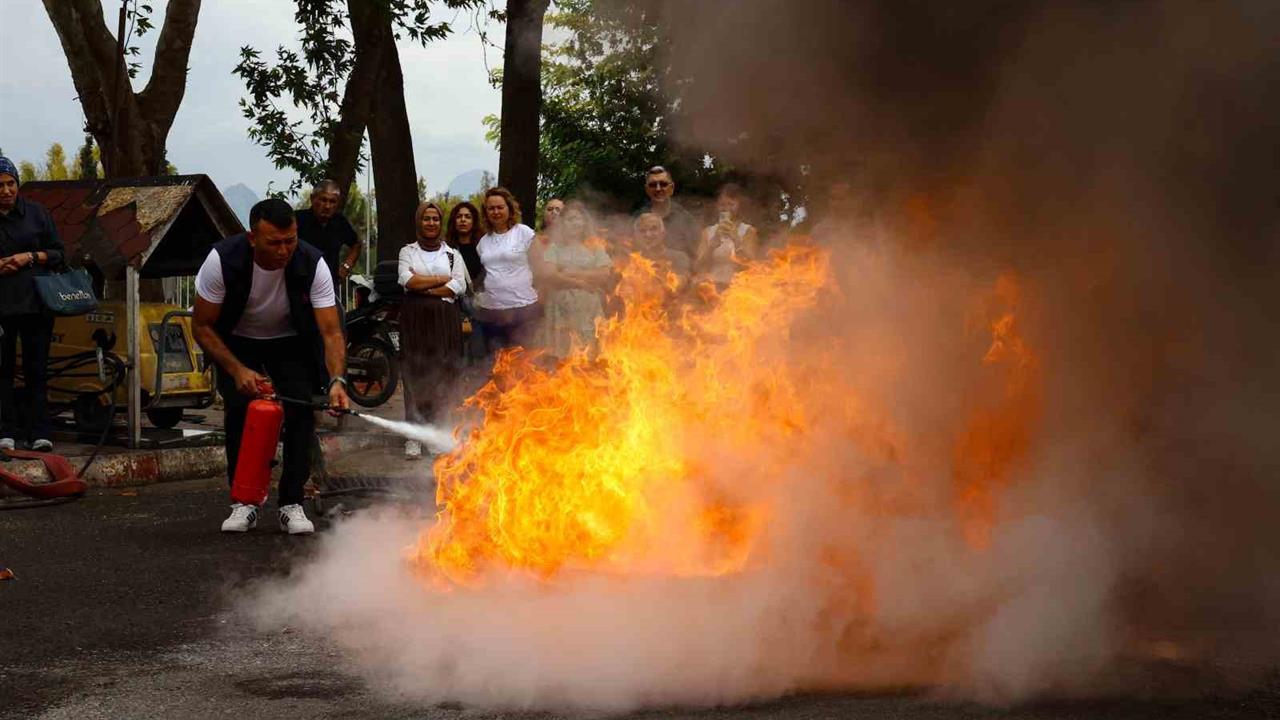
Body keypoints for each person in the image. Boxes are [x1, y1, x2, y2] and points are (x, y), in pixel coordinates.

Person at [192, 198, 350, 535]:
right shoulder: (221, 260)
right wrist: (237, 371)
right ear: (253, 238)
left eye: (290, 240)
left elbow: (331, 331)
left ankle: (292, 501)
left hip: (291, 340)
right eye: (274, 242)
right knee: (240, 409)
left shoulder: (313, 262)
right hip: (237, 340)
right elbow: (202, 326)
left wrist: (337, 380)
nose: (284, 250)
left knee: (301, 410)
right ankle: (244, 501)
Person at [0, 156, 64, 453]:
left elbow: (58, 253)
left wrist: (29, 257)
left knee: (36, 369)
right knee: (3, 371)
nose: (6, 191)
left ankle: (40, 432)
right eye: (0, 185)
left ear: (17, 184)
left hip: (37, 304)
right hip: (3, 306)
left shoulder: (37, 214)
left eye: (10, 183)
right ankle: (6, 431)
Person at [397, 202, 467, 459]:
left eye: (435, 219)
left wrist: (422, 287)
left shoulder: (452, 255)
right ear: (419, 222)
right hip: (415, 320)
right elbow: (406, 280)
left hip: (444, 321)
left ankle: (435, 434)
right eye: (426, 218)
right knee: (415, 374)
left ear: (440, 222)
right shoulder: (407, 251)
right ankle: (414, 437)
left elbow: (457, 286)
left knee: (442, 374)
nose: (431, 223)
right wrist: (440, 280)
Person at [538, 201, 614, 357]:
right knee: (563, 353)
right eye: (569, 219)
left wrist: (570, 272)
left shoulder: (595, 246)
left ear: (584, 222)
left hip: (589, 305)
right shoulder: (555, 248)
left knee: (588, 351)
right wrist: (580, 283)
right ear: (563, 223)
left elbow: (604, 274)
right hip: (561, 306)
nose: (574, 223)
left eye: (577, 218)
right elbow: (550, 275)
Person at [473, 187, 543, 354]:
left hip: (523, 310)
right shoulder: (483, 242)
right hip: (492, 313)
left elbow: (541, 267)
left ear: (509, 209)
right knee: (498, 363)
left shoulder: (524, 233)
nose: (496, 212)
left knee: (524, 363)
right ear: (486, 212)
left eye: (500, 207)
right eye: (491, 208)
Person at [295, 179, 363, 300]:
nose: (327, 206)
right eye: (323, 200)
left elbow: (356, 244)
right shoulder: (297, 220)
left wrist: (347, 266)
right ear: (312, 198)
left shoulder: (340, 222)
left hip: (329, 286)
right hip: (299, 286)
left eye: (332, 202)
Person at [694, 183, 760, 288]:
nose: (726, 208)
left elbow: (751, 265)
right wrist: (711, 247)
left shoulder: (748, 231)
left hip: (738, 288)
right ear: (717, 206)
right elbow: (698, 267)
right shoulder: (708, 232)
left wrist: (736, 239)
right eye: (722, 205)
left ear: (739, 205)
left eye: (731, 204)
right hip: (711, 288)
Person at [445, 201, 485, 365]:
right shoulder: (446, 249)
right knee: (457, 356)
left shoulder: (483, 246)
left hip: (481, 306)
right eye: (459, 216)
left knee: (480, 353)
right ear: (454, 221)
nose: (463, 220)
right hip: (455, 306)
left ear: (474, 221)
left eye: (467, 217)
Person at [635, 165, 699, 257]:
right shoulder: (637, 218)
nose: (658, 189)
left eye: (663, 184)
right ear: (647, 189)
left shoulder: (687, 220)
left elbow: (695, 257)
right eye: (653, 185)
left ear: (672, 188)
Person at [633, 212, 692, 287]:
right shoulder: (631, 261)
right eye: (642, 231)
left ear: (663, 233)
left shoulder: (679, 258)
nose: (648, 234)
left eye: (653, 229)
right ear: (636, 236)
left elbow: (680, 284)